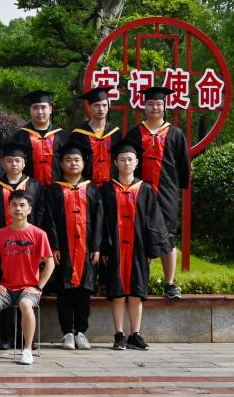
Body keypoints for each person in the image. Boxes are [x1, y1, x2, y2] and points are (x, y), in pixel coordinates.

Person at [123, 86, 190, 301]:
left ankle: (169, 283)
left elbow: (183, 164)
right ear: (144, 106)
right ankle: (141, 282)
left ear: (165, 107)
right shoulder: (135, 133)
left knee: (167, 235)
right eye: (151, 104)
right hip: (139, 192)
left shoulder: (175, 134)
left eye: (159, 104)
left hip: (166, 192)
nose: (155, 107)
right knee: (140, 235)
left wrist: (176, 188)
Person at [102, 142, 170, 351]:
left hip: (138, 249)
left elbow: (154, 221)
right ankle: (119, 334)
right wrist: (103, 247)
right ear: (115, 162)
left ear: (137, 162)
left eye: (130, 159)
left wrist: (151, 249)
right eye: (122, 159)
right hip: (114, 248)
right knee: (117, 292)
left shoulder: (145, 189)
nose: (126, 163)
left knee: (136, 292)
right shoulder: (107, 189)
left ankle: (135, 334)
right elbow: (101, 221)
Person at [0, 191, 55, 365]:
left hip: (29, 288)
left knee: (25, 304)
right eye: (14, 205)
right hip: (6, 288)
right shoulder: (0, 234)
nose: (18, 208)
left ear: (29, 209)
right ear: (9, 208)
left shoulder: (39, 234)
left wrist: (39, 287)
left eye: (22, 205)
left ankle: (27, 350)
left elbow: (50, 263)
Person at [45, 142, 103, 351]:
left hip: (87, 249)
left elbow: (99, 219)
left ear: (84, 163)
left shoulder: (92, 189)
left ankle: (81, 332)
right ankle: (67, 333)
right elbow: (49, 219)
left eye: (77, 160)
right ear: (61, 163)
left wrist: (96, 246)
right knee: (65, 291)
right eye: (68, 160)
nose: (73, 163)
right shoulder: (54, 189)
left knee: (84, 292)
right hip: (63, 249)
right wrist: (54, 246)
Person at [10, 90, 69, 187]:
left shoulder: (62, 136)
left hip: (58, 189)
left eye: (43, 107)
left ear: (50, 109)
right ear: (30, 110)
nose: (40, 112)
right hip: (28, 190)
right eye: (35, 107)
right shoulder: (20, 136)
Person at [71, 87, 123, 186]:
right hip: (86, 186)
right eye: (97, 105)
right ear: (90, 107)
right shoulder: (79, 134)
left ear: (108, 106)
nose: (101, 109)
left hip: (112, 186)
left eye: (104, 105)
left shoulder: (115, 133)